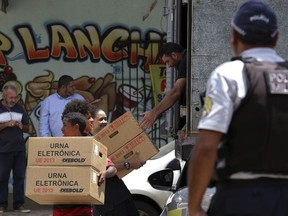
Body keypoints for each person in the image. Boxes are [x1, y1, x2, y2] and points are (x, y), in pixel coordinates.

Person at [188, 1, 287, 216]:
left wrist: (194, 207)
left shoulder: (229, 75)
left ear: (233, 36)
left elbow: (206, 147)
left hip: (239, 199)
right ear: (276, 38)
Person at [92, 108, 141, 216]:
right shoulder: (92, 144)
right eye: (100, 119)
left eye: (105, 119)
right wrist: (129, 164)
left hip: (120, 196)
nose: (104, 122)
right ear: (91, 121)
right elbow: (105, 167)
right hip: (108, 202)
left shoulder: (108, 140)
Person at [53, 112, 95, 216]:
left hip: (82, 208)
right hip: (60, 207)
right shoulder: (57, 148)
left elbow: (109, 166)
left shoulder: (91, 146)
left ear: (76, 127)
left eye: (65, 125)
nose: (61, 129)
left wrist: (103, 173)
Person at [139, 42, 186, 130]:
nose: (169, 65)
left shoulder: (185, 62)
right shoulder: (187, 60)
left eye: (168, 61)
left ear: (174, 55)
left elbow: (175, 92)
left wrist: (154, 113)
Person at [0, 84, 30, 213]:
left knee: (19, 177)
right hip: (3, 149)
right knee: (2, 178)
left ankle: (19, 204)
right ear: (4, 96)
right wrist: (5, 125)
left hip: (19, 149)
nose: (13, 100)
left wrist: (21, 125)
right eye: (10, 97)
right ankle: (2, 205)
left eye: (15, 97)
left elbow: (27, 127)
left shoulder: (19, 108)